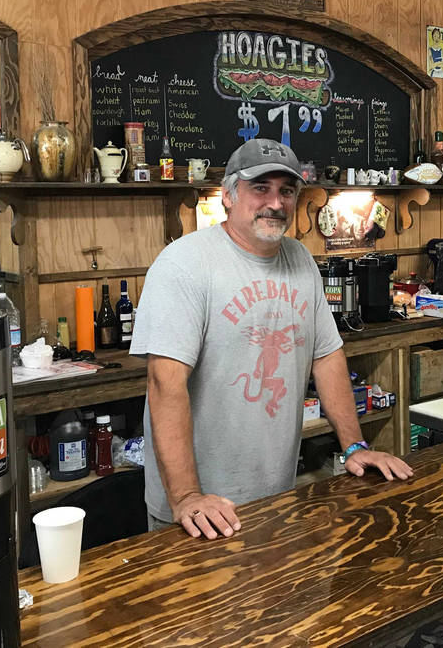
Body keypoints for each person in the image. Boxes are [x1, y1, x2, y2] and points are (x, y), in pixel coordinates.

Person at [131, 138, 412, 539]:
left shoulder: (300, 260)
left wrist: (355, 447)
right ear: (228, 195)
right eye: (260, 188)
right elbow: (164, 383)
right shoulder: (185, 264)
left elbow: (327, 356)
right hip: (198, 514)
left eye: (287, 190)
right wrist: (187, 496)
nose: (276, 203)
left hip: (276, 496)